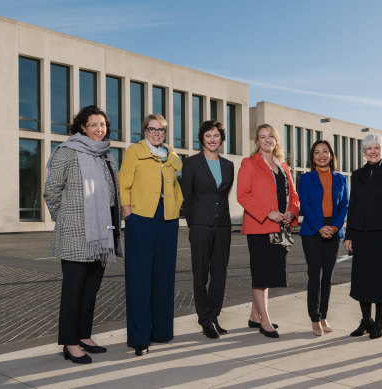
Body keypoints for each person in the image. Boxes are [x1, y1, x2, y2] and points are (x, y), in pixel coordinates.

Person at [44, 105, 123, 364]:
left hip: (102, 235)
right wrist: (66, 218)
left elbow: (113, 195)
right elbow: (52, 191)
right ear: (82, 127)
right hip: (76, 234)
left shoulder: (107, 155)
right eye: (93, 125)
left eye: (102, 125)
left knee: (91, 290)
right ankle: (69, 342)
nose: (99, 129)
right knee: (73, 291)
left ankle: (84, 335)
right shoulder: (67, 152)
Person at [119, 114, 183, 356]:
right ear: (144, 130)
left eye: (161, 130)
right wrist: (128, 213)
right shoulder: (134, 151)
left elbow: (176, 184)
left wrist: (178, 205)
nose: (156, 134)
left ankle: (162, 331)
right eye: (152, 129)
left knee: (164, 277)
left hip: (168, 220)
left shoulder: (170, 156)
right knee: (139, 278)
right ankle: (139, 337)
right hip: (140, 218)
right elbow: (123, 182)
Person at [237, 124, 300, 338]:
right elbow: (243, 195)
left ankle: (255, 315)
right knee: (261, 275)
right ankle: (265, 321)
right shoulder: (249, 163)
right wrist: (268, 213)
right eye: (262, 137)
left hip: (280, 228)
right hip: (259, 227)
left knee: (271, 273)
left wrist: (291, 212)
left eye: (270, 136)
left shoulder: (283, 166)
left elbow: (294, 196)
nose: (267, 140)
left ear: (276, 139)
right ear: (257, 141)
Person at [344, 133, 382, 339]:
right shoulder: (357, 175)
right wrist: (349, 235)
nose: (373, 151)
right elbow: (353, 207)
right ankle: (365, 321)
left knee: (381, 280)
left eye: (377, 147)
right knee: (361, 280)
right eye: (369, 148)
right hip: (361, 235)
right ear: (364, 151)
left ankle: (379, 321)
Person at [182, 120, 234, 339]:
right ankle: (204, 319)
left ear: (222, 139)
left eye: (216, 135)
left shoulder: (229, 165)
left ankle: (214, 315)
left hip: (222, 225)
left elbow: (222, 196)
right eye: (208, 136)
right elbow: (187, 196)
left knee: (220, 273)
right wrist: (195, 225)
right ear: (202, 139)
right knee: (201, 273)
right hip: (201, 226)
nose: (212, 139)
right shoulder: (192, 163)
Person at [298, 140, 349, 336]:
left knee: (327, 277)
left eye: (325, 151)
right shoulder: (306, 178)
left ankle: (323, 315)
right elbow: (305, 204)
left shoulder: (341, 179)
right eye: (317, 152)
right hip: (312, 231)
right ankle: (314, 318)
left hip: (334, 230)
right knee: (315, 276)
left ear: (331, 155)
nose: (321, 155)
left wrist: (335, 227)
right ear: (312, 157)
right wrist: (320, 227)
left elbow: (344, 205)